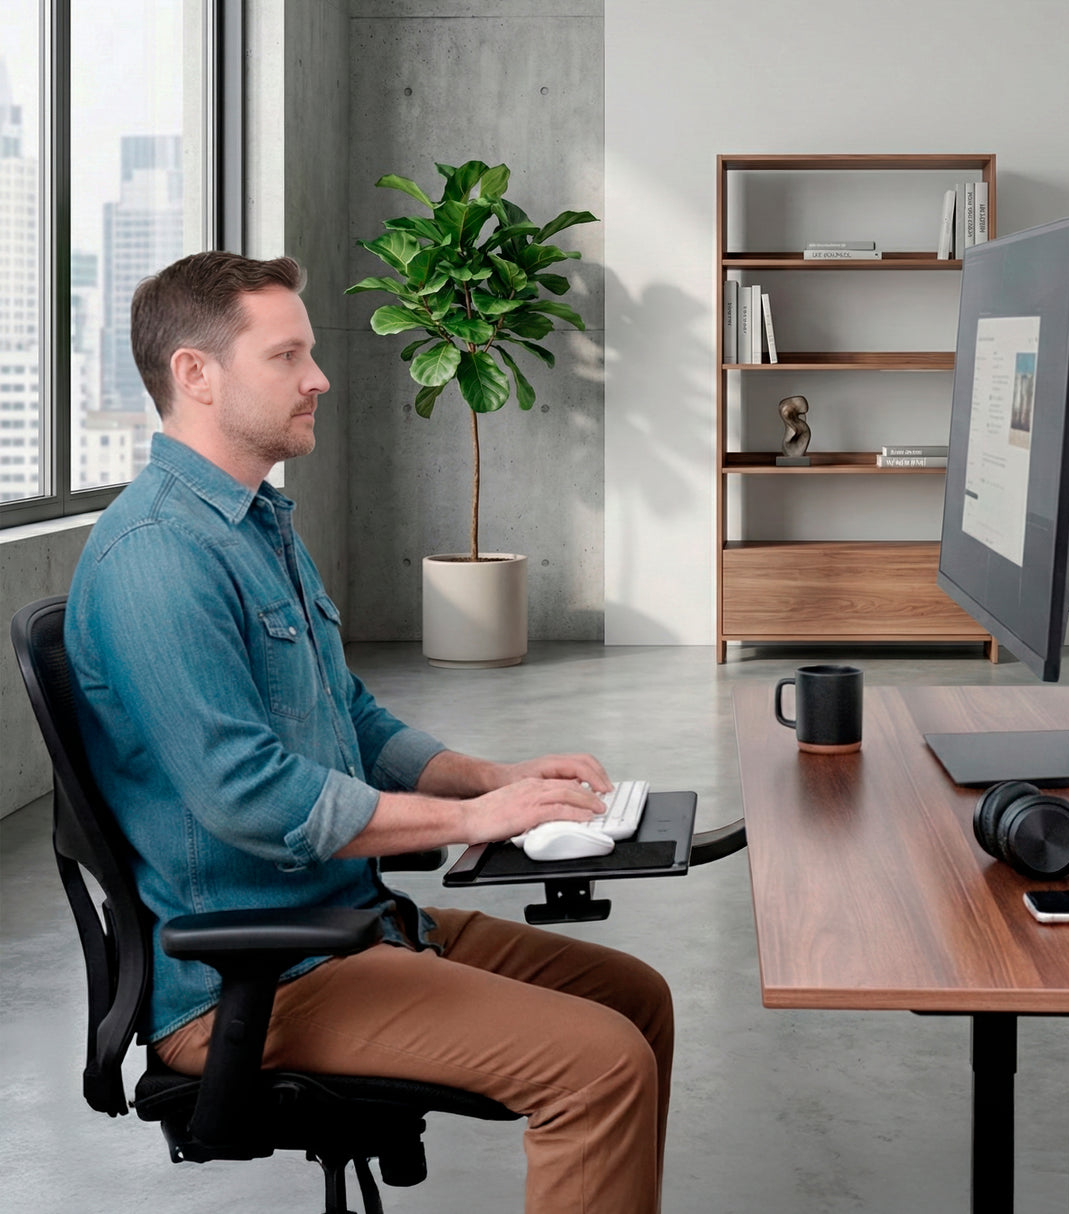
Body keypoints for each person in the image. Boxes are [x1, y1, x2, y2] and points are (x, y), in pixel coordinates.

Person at [65, 250, 673, 1213]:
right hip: (256, 976)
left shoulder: (256, 526)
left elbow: (349, 714)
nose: (320, 377)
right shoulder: (159, 556)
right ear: (196, 374)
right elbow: (249, 797)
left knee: (636, 998)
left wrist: (489, 780)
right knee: (599, 1065)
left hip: (351, 927)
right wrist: (471, 825)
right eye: (288, 355)